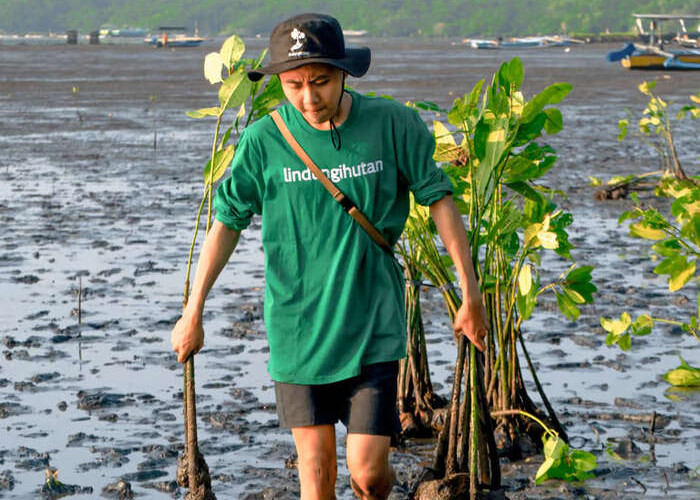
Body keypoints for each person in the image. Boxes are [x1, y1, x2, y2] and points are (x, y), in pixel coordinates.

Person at [171, 13, 488, 500]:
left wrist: (470, 293)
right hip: (298, 329)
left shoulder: (393, 124)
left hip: (372, 326)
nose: (309, 98)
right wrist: (193, 312)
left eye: (320, 82)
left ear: (344, 73)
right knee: (316, 479)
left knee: (367, 475)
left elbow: (439, 199)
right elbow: (226, 223)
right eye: (294, 85)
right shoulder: (262, 141)